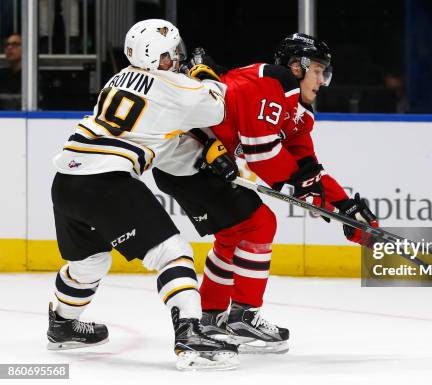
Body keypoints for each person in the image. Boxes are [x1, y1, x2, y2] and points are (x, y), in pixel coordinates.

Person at [152, 33, 379, 354]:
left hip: (201, 163)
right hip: (187, 156)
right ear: (296, 67)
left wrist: (346, 207)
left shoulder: (299, 112)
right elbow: (262, 154)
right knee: (260, 223)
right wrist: (313, 195)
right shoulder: (274, 82)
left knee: (234, 232)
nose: (322, 80)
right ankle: (244, 313)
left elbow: (307, 169)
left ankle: (212, 314)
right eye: (317, 70)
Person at [46, 19, 239, 370]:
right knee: (173, 252)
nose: (178, 57)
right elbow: (217, 105)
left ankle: (61, 323)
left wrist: (199, 151)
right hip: (105, 180)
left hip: (66, 179)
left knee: (90, 262)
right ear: (160, 56)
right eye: (173, 53)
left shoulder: (116, 79)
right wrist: (204, 71)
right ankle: (190, 335)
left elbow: (153, 131)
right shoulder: (175, 85)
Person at [0, 34, 22, 110]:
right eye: (7, 45)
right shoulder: (2, 75)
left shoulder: (32, 76)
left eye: (15, 44)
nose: (9, 47)